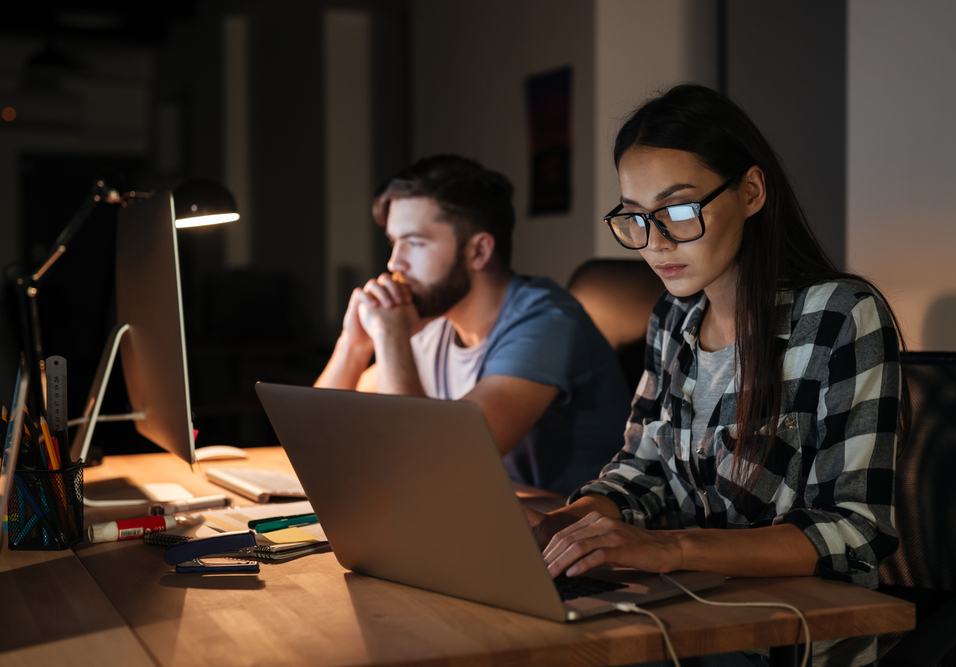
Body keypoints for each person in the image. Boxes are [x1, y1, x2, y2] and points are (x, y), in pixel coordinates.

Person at [526, 85, 906, 667]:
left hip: (791, 637)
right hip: (684, 614)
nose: (654, 243)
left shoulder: (838, 315)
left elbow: (854, 530)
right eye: (635, 218)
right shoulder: (673, 320)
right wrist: (562, 527)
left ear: (751, 192)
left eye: (678, 211)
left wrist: (667, 548)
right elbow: (641, 473)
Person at [315, 154, 631, 495]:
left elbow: (428, 466)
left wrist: (391, 338)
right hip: (476, 512)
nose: (395, 262)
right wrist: (354, 344)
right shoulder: (437, 320)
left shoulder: (545, 323)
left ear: (478, 251)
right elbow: (318, 435)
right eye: (394, 242)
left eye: (415, 242)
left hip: (563, 532)